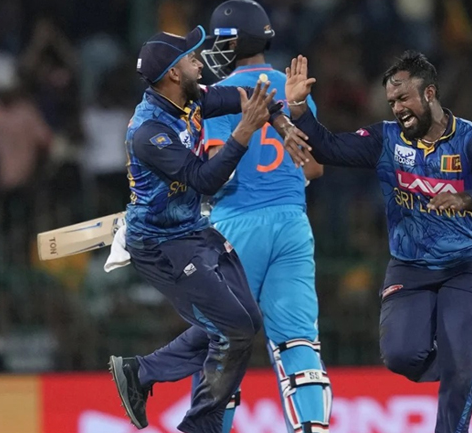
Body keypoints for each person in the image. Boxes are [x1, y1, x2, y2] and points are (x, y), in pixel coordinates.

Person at [284, 52, 472, 432]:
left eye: (404, 98)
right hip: (410, 266)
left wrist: (464, 199)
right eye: (392, 102)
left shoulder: (471, 139)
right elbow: (328, 148)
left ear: (430, 93)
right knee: (400, 356)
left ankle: (458, 374)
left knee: (457, 367)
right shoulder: (385, 139)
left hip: (467, 266)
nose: (398, 109)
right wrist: (297, 108)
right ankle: (458, 371)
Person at [107, 26, 307, 433]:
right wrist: (244, 131)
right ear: (173, 73)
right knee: (234, 329)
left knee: (246, 320)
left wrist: (283, 120)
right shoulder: (149, 132)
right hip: (161, 246)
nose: (199, 62)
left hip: (193, 230)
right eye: (190, 57)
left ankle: (141, 371)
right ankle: (200, 426)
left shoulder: (192, 97)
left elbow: (251, 97)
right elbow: (204, 179)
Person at [190, 2, 331, 433]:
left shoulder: (221, 94)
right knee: (298, 340)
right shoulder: (292, 88)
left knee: (222, 342)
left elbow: (220, 171)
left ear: (234, 42)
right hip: (292, 222)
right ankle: (311, 426)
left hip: (236, 226)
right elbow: (314, 166)